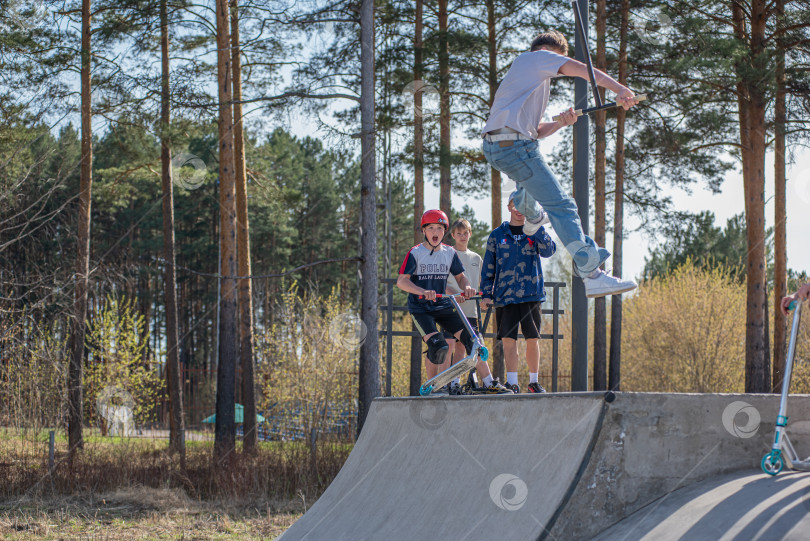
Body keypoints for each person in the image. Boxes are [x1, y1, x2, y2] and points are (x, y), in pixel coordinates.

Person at [481, 29, 638, 299]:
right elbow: (582, 69)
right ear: (553, 54)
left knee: (533, 181)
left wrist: (560, 123)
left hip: (503, 146)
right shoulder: (538, 57)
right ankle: (591, 273)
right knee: (562, 205)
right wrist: (620, 88)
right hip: (515, 148)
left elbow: (535, 130)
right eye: (559, 64)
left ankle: (530, 214)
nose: (559, 72)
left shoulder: (530, 80)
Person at [479, 192, 556, 393]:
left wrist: (537, 228)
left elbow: (549, 250)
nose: (519, 209)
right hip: (505, 295)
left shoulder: (536, 229)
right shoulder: (497, 234)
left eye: (524, 206)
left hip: (531, 294)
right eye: (516, 205)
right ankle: (512, 382)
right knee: (508, 339)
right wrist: (486, 293)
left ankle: (533, 381)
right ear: (509, 207)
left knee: (532, 338)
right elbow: (488, 266)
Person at [397, 209, 477, 395]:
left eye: (439, 228)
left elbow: (461, 277)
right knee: (439, 346)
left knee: (470, 339)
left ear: (444, 231)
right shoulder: (416, 253)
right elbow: (402, 281)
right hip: (421, 308)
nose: (435, 232)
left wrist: (467, 288)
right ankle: (432, 385)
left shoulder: (449, 253)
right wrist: (423, 292)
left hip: (442, 306)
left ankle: (454, 381)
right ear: (424, 231)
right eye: (431, 228)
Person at [445, 218, 513, 394]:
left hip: (471, 310)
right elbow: (440, 282)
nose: (462, 236)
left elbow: (484, 283)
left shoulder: (476, 258)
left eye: (465, 233)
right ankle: (481, 381)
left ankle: (458, 382)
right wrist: (453, 294)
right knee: (466, 346)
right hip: (452, 310)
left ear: (470, 234)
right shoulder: (447, 255)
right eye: (458, 233)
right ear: (452, 235)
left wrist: (486, 298)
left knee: (467, 347)